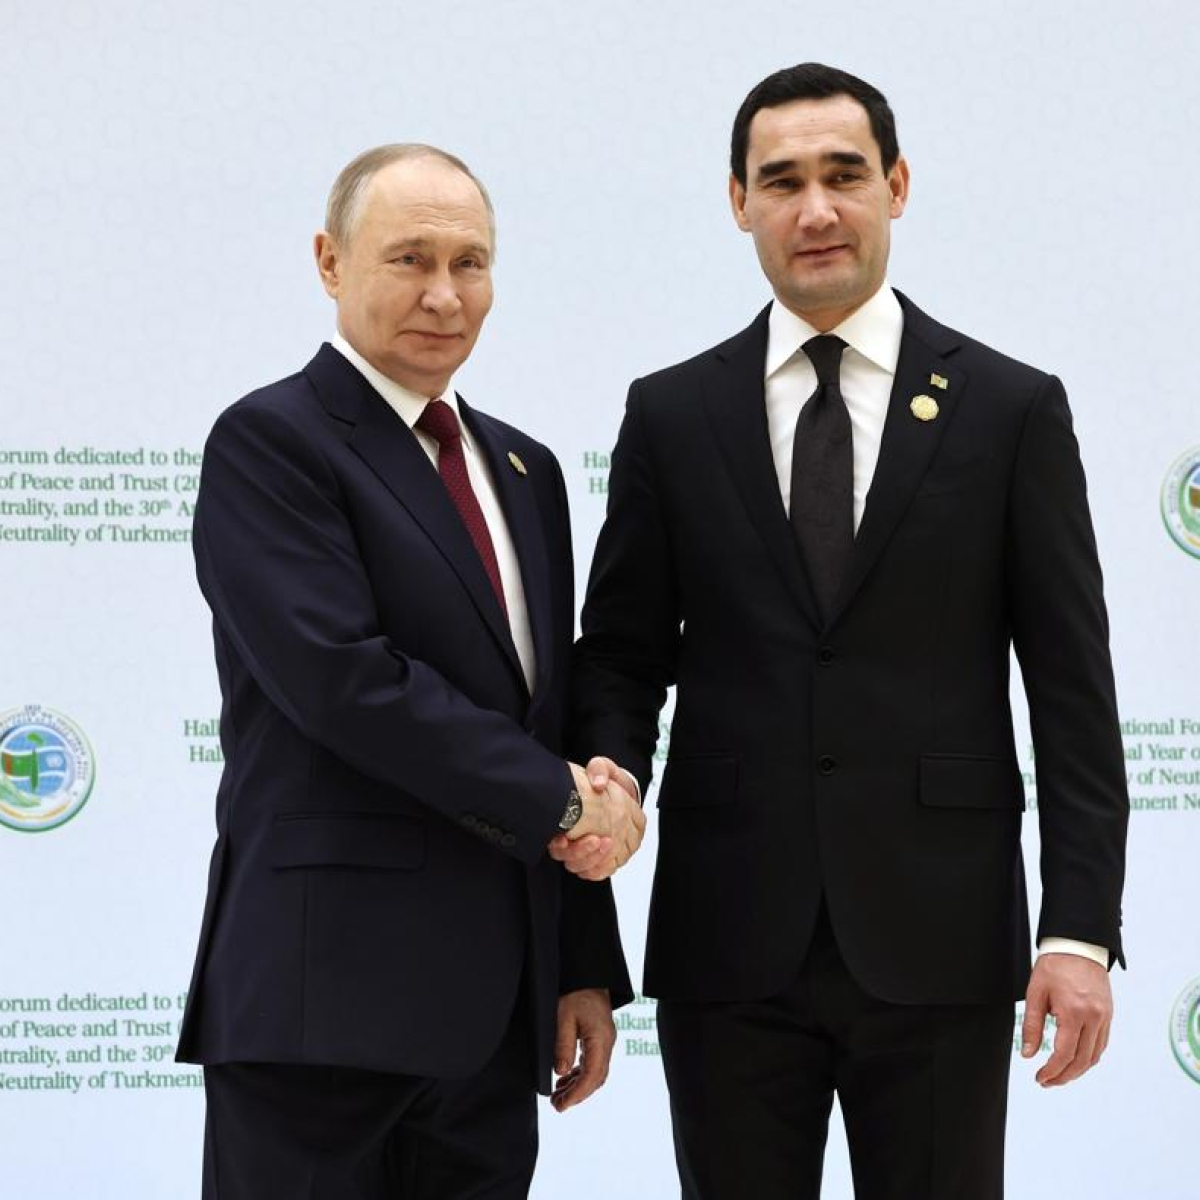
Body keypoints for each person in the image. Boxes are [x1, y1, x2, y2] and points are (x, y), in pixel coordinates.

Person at [570, 64, 1129, 1200]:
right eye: (781, 182)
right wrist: (609, 784)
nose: (815, 209)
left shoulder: (1012, 409)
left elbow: (1072, 692)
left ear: (897, 186)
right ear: (739, 203)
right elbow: (621, 656)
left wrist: (1077, 930)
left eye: (845, 175)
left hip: (941, 940)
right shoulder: (671, 413)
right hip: (728, 939)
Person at [175, 143, 645, 1200]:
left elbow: (546, 718)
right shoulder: (271, 442)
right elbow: (344, 681)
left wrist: (579, 963)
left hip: (494, 1020)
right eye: (410, 259)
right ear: (330, 262)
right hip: (323, 1006)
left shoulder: (525, 469)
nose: (445, 294)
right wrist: (566, 800)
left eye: (470, 263)